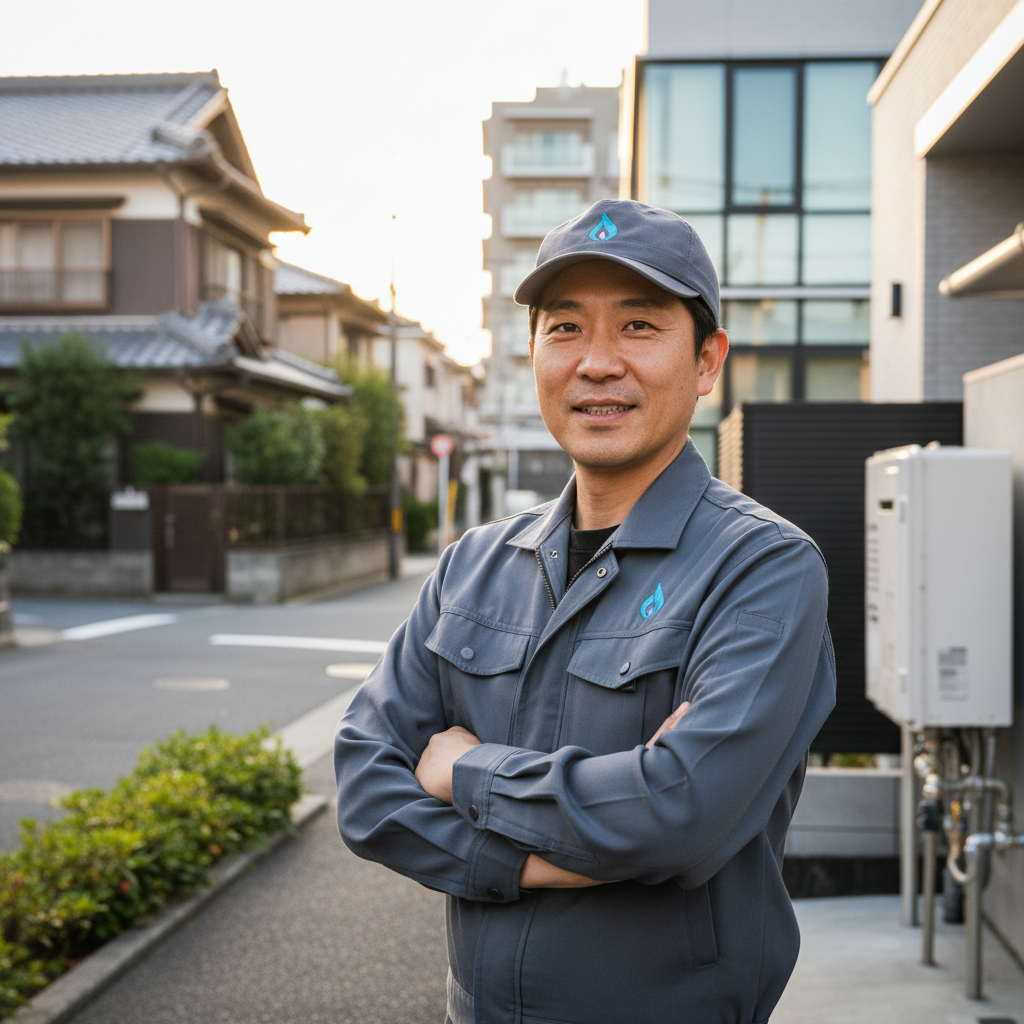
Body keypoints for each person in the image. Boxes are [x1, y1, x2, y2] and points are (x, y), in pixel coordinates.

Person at [335, 199, 836, 1024]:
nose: (597, 363)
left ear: (708, 361)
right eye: (564, 328)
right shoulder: (474, 563)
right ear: (533, 352)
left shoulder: (763, 567)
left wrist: (464, 770)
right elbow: (364, 784)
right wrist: (549, 856)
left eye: (638, 326)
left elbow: (679, 813)